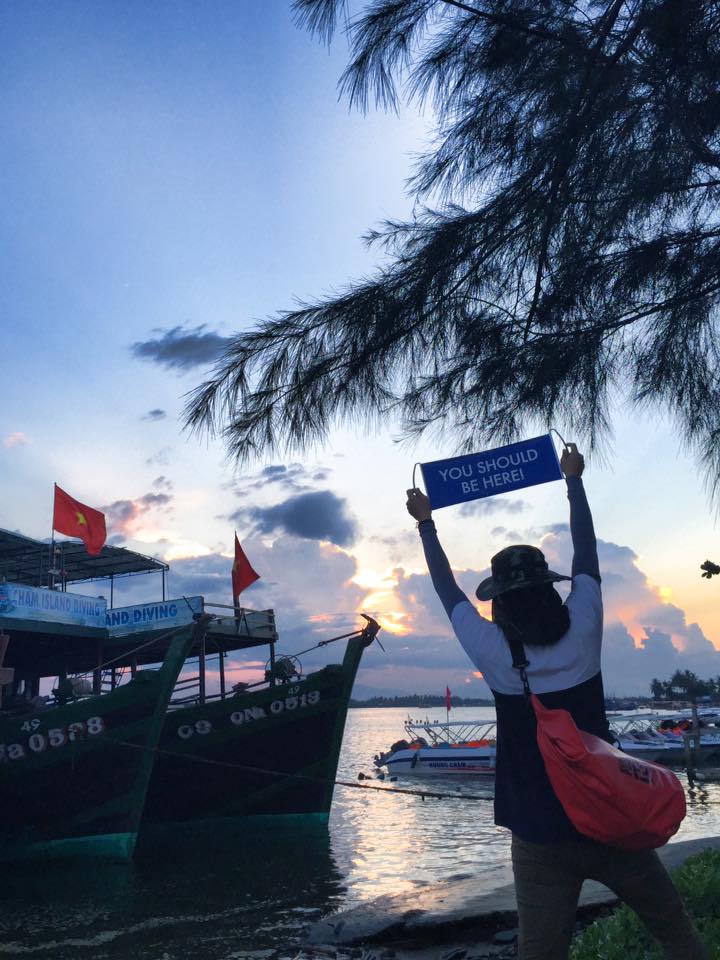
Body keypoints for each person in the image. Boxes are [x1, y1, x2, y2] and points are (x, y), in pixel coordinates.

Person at [406, 443, 706, 960]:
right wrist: (574, 480)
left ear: (499, 602)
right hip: (611, 819)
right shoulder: (585, 628)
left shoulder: (493, 653)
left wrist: (426, 524)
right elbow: (586, 554)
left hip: (539, 835)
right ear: (550, 589)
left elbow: (447, 591)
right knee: (673, 928)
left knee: (540, 952)